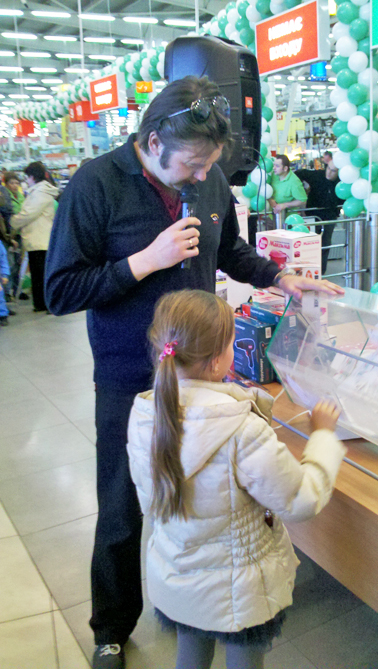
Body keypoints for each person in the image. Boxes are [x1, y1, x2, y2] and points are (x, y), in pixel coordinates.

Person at [44, 75, 344, 669]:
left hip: (203, 376)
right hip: (130, 377)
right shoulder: (95, 184)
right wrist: (143, 262)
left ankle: (202, 600)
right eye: (194, 164)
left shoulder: (207, 182)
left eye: (211, 165)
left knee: (209, 500)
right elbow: (59, 289)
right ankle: (111, 627)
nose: (204, 175)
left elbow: (229, 249)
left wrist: (279, 277)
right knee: (123, 504)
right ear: (153, 141)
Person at [127, 289, 346, 669]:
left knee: (190, 656)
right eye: (232, 342)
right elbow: (301, 500)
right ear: (217, 362)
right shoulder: (241, 431)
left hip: (177, 576)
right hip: (237, 592)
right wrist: (324, 436)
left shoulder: (146, 413)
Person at [10, 162, 59, 312]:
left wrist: (12, 221)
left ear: (33, 176)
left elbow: (28, 214)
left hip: (40, 240)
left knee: (41, 275)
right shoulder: (39, 191)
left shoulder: (41, 193)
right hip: (37, 240)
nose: (26, 181)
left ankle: (46, 303)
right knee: (38, 275)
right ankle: (40, 303)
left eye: (27, 177)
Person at [295, 163, 344, 274]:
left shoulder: (340, 183)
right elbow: (298, 173)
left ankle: (321, 271)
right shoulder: (317, 175)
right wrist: (301, 189)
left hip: (329, 217)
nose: (329, 172)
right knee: (309, 244)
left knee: (325, 244)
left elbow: (342, 200)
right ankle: (309, 270)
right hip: (312, 216)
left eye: (333, 171)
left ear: (338, 173)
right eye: (328, 168)